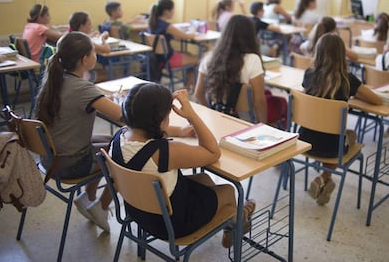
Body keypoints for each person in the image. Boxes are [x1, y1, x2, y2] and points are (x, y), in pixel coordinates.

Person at [109, 83, 256, 247]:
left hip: (138, 213)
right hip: (171, 224)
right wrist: (192, 115)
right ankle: (236, 224)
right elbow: (213, 152)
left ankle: (232, 216)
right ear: (162, 120)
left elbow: (148, 131)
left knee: (204, 178)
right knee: (228, 190)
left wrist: (178, 131)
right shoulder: (165, 152)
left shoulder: (118, 138)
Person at [35, 31, 123, 232]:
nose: (95, 55)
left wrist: (103, 101)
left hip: (50, 157)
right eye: (93, 51)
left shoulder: (55, 80)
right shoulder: (84, 89)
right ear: (85, 59)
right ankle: (101, 207)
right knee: (123, 153)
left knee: (111, 141)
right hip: (69, 164)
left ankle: (87, 197)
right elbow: (123, 116)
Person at [299, 33, 382, 205]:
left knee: (329, 137)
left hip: (305, 141)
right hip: (331, 148)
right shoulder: (347, 80)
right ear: (341, 55)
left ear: (318, 52)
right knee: (350, 135)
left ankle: (325, 179)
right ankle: (324, 177)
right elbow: (377, 100)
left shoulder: (309, 75)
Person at [194, 15, 268, 124]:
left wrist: (212, 113)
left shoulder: (209, 58)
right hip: (244, 123)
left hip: (215, 120)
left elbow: (198, 94)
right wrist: (264, 127)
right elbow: (259, 102)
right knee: (277, 102)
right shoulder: (252, 59)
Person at [147, 0, 197, 88]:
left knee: (187, 53)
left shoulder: (153, 23)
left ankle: (188, 85)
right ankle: (188, 87)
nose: (174, 12)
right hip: (168, 60)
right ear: (167, 12)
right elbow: (188, 36)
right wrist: (193, 29)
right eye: (173, 10)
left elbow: (175, 37)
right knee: (196, 58)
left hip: (156, 59)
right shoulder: (167, 26)